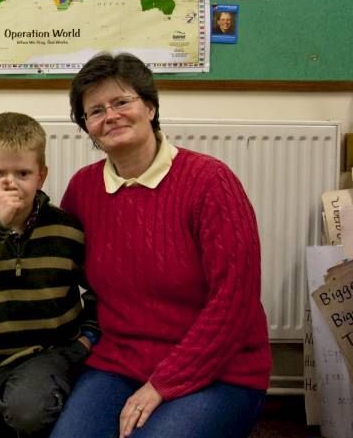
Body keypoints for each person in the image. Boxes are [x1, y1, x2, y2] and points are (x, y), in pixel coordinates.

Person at [48, 53, 271, 438]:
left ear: (149, 107)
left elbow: (235, 301)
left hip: (221, 369)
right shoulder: (83, 190)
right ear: (88, 128)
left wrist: (164, 384)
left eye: (121, 102)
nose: (110, 115)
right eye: (95, 111)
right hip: (120, 363)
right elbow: (56, 268)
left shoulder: (210, 182)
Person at [0, 112, 98, 438]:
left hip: (49, 351)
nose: (9, 183)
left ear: (41, 175)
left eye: (22, 173)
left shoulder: (65, 228)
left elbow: (100, 289)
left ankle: (25, 403)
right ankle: (5, 406)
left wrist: (86, 339)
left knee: (28, 413)